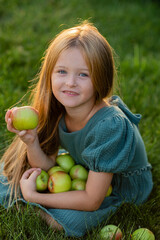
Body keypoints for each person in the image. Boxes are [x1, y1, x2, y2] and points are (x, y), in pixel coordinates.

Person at [0, 21, 153, 237]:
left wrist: (36, 197)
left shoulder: (109, 126)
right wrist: (32, 141)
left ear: (100, 79)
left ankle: (36, 206)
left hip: (118, 187)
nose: (70, 82)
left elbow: (92, 200)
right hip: (87, 171)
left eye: (83, 74)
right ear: (50, 74)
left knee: (69, 221)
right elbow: (48, 165)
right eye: (62, 71)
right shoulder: (58, 109)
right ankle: (39, 202)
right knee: (6, 171)